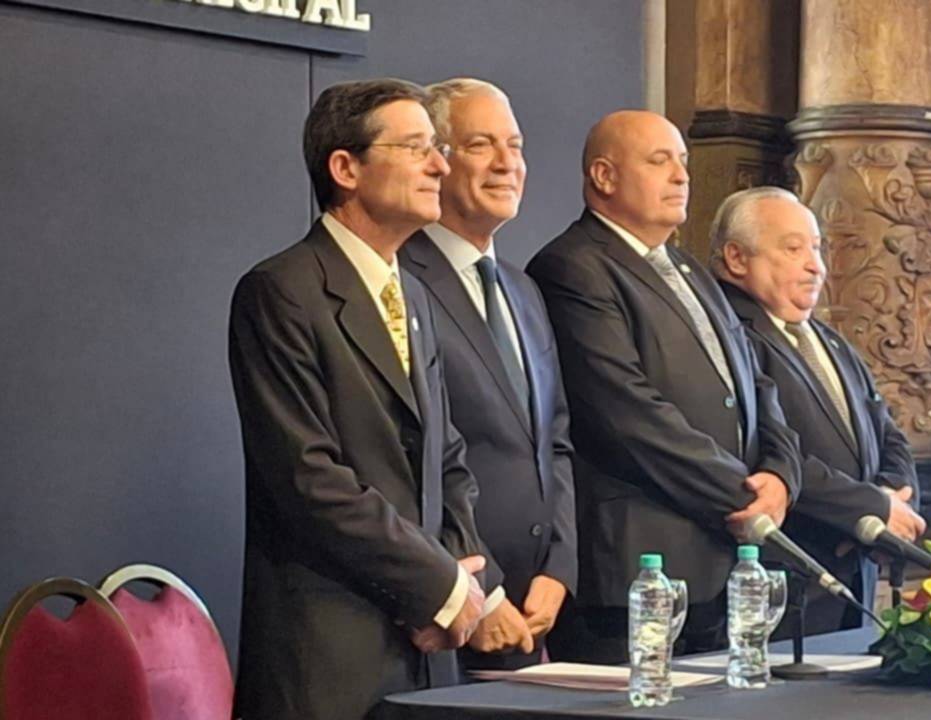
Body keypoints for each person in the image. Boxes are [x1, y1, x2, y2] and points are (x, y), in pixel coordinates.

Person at [228, 79, 500, 720]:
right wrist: (437, 587)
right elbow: (309, 479)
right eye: (416, 148)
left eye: (438, 148)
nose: (440, 166)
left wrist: (458, 582)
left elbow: (447, 459)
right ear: (346, 168)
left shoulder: (415, 295)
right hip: (328, 655)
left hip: (426, 651)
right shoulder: (281, 291)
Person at [525, 110, 802, 663]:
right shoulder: (572, 267)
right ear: (604, 176)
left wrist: (780, 475)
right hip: (635, 577)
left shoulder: (689, 269)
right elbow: (626, 414)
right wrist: (745, 496)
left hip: (722, 569)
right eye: (659, 161)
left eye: (683, 162)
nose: (681, 176)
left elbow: (756, 384)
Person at [399, 78, 576, 670]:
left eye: (515, 146)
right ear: (436, 160)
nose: (507, 163)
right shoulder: (401, 278)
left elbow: (554, 440)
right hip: (454, 611)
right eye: (481, 145)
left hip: (535, 609)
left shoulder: (523, 290)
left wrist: (559, 567)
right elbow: (416, 459)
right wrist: (486, 590)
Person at [710, 186, 924, 634]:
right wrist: (869, 508)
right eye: (793, 249)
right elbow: (764, 452)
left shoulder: (827, 340)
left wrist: (892, 503)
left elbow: (887, 431)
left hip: (855, 579)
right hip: (788, 585)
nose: (816, 265)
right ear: (736, 258)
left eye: (816, 248)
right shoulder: (729, 337)